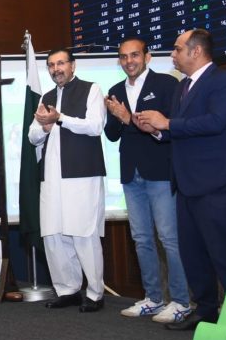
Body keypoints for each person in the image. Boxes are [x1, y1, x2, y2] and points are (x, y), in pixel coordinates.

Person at [136, 29, 226, 331]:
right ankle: (206, 310)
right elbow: (177, 131)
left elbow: (216, 122)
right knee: (193, 253)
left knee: (224, 252)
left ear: (196, 51)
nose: (172, 55)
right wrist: (156, 130)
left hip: (219, 183)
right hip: (187, 185)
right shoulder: (182, 86)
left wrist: (167, 123)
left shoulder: (223, 81)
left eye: (177, 49)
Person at [104, 38, 191, 323]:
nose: (129, 61)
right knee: (141, 239)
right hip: (131, 174)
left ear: (147, 57)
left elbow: (169, 130)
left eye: (134, 55)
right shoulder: (116, 90)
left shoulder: (166, 84)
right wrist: (116, 117)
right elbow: (112, 135)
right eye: (123, 57)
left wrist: (128, 118)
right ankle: (153, 298)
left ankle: (181, 301)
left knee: (169, 238)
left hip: (160, 172)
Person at [27, 49, 107, 312]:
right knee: (53, 234)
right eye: (51, 65)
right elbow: (32, 136)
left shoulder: (91, 89)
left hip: (82, 174)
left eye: (61, 63)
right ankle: (67, 290)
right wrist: (45, 127)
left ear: (73, 65)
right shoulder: (46, 97)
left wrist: (60, 119)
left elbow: (95, 126)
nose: (56, 69)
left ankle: (95, 293)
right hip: (51, 176)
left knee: (83, 233)